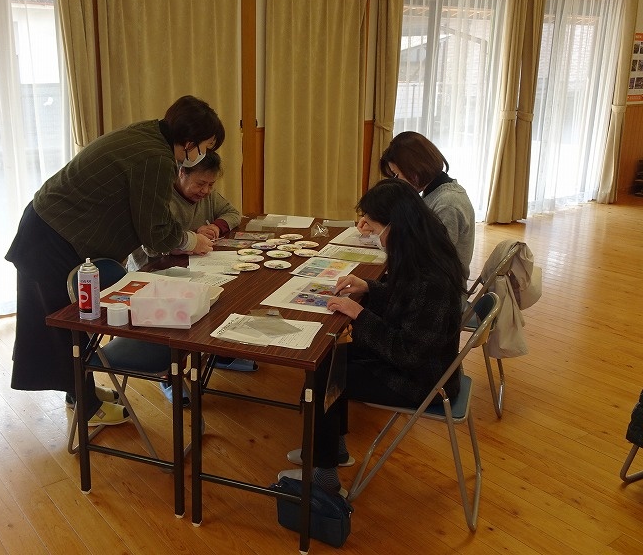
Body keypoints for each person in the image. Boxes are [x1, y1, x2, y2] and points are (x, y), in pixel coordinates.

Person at [6, 95, 225, 427]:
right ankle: (87, 406)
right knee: (67, 327)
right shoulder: (156, 157)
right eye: (205, 147)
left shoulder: (149, 134)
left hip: (51, 227)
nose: (204, 154)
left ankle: (81, 394)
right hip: (52, 236)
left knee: (71, 325)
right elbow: (155, 230)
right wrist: (193, 241)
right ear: (190, 141)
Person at [279, 179, 466, 497]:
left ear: (396, 226)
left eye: (374, 226)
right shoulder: (424, 252)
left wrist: (359, 313)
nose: (370, 233)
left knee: (326, 374)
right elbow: (406, 299)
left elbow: (408, 352)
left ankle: (324, 476)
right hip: (424, 363)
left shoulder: (431, 277)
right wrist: (369, 288)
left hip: (424, 380)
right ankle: (333, 451)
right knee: (332, 356)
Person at [126, 150, 256, 406]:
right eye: (200, 183)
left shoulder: (207, 196)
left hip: (192, 266)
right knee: (179, 312)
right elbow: (153, 246)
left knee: (227, 292)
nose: (205, 191)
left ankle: (218, 353)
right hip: (153, 272)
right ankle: (169, 374)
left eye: (211, 185)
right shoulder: (162, 198)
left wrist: (216, 227)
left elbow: (232, 213)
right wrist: (191, 238)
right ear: (181, 173)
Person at [378, 131, 475, 280]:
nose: (397, 181)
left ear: (414, 169)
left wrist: (388, 237)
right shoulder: (432, 193)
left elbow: (432, 261)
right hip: (426, 281)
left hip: (440, 290)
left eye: (397, 175)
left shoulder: (448, 203)